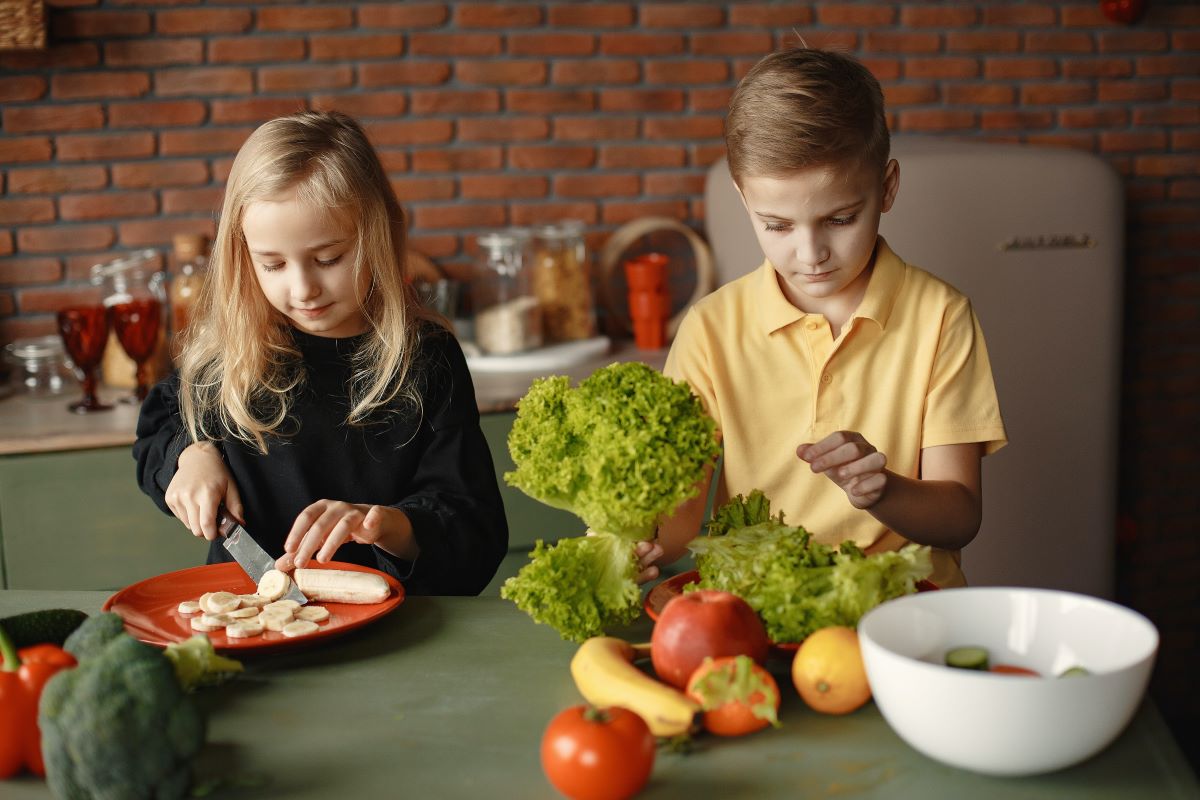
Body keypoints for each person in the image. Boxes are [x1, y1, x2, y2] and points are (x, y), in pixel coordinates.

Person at [642, 48, 1007, 589]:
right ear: (745, 201)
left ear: (886, 188)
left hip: (903, 609)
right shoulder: (710, 330)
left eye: (839, 218)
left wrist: (882, 487)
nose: (811, 254)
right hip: (755, 608)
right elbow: (680, 522)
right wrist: (639, 543)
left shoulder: (940, 317)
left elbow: (959, 519)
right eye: (777, 225)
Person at [134, 110, 508, 595]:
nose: (303, 288)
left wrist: (382, 525)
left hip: (396, 627)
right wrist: (190, 457)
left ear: (378, 234)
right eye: (272, 265)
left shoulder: (425, 358)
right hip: (252, 616)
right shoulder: (227, 352)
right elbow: (159, 427)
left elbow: (473, 530)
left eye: (328, 259)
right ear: (243, 257)